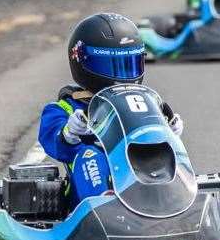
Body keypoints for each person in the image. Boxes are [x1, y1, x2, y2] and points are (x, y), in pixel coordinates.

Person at [38, 13, 184, 206]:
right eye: (113, 66)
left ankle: (180, 202)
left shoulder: (145, 102)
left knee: (168, 152)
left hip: (142, 182)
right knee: (90, 154)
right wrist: (69, 134)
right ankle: (103, 206)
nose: (123, 76)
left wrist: (168, 134)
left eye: (129, 64)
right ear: (83, 62)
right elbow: (55, 144)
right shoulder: (65, 108)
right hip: (84, 199)